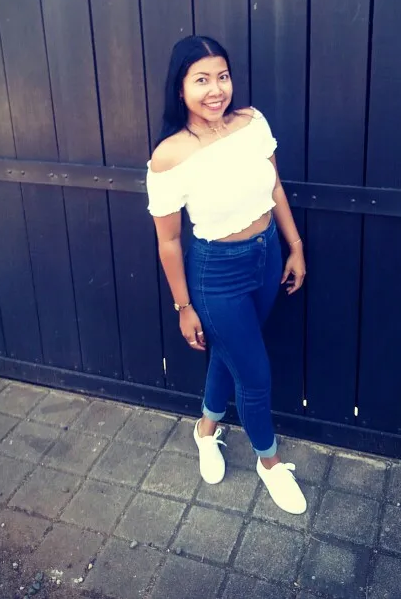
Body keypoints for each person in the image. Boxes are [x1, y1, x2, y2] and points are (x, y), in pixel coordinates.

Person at [146, 35, 307, 514]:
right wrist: (184, 306)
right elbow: (168, 241)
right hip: (217, 275)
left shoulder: (253, 123)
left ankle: (205, 430)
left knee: (230, 352)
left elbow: (274, 187)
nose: (215, 89)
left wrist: (295, 246)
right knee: (254, 375)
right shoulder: (169, 155)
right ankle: (269, 463)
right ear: (180, 89)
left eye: (222, 76)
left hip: (267, 256)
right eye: (202, 80)